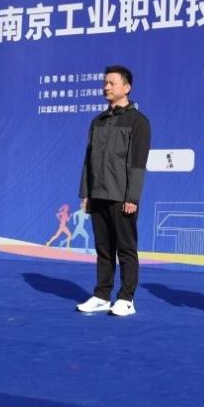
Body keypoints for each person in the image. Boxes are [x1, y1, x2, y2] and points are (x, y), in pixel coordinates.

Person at [76, 65, 151, 317]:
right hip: (98, 194)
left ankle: (126, 299)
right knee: (103, 248)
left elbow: (138, 163)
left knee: (125, 248)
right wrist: (86, 193)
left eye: (112, 83)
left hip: (122, 197)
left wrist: (133, 197)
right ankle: (101, 295)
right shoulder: (97, 121)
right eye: (105, 83)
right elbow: (88, 160)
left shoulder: (138, 121)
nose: (106, 87)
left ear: (126, 87)